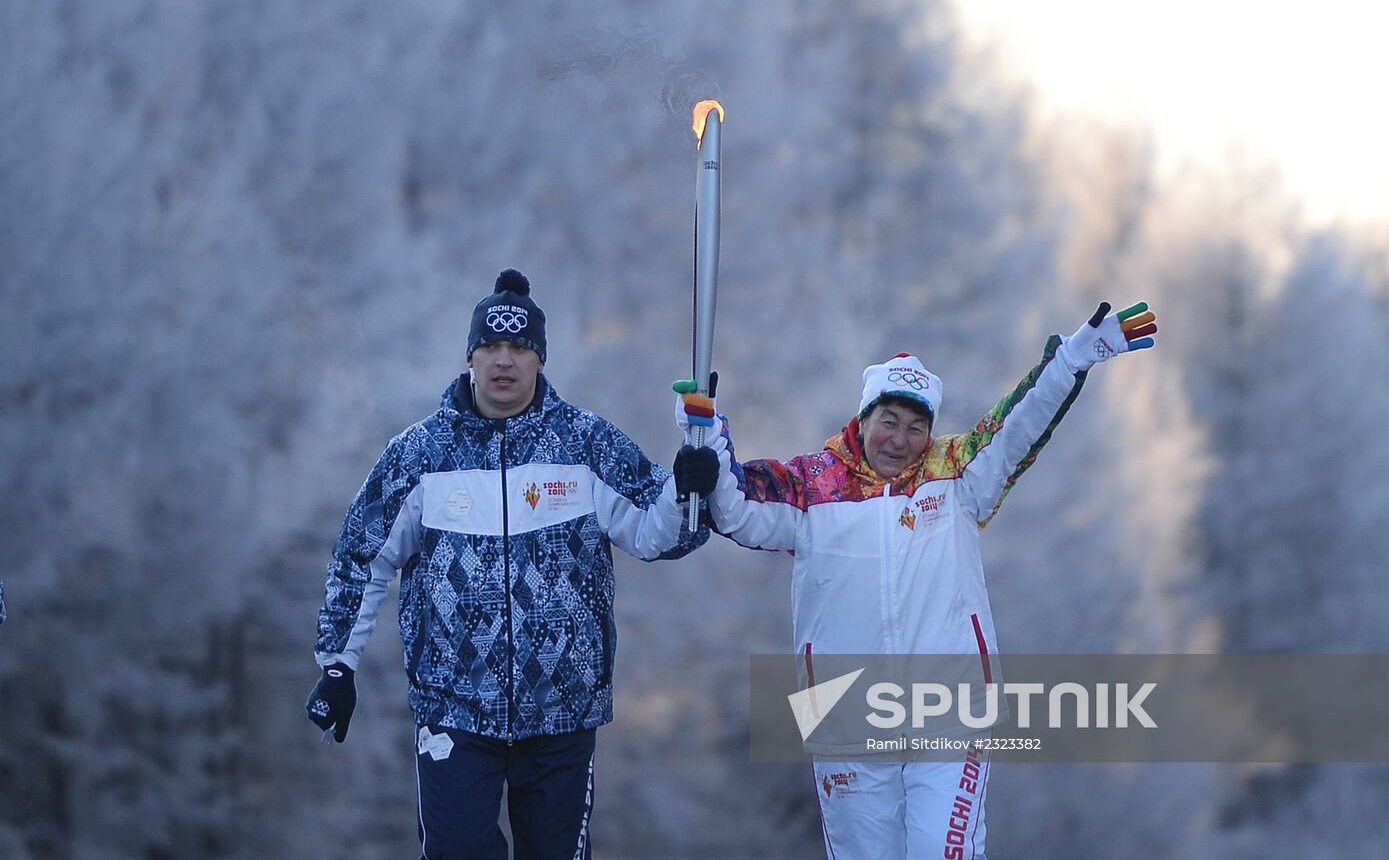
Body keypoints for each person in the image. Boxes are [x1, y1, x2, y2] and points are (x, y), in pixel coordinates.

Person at [694, 301, 1158, 860]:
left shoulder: (957, 477)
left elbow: (1015, 428)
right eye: (888, 420)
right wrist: (705, 442)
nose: (900, 438)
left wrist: (1068, 363)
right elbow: (736, 507)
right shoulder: (811, 487)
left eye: (917, 427)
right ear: (862, 419)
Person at [308, 268, 721, 860]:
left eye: (520, 348)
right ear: (471, 356)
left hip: (562, 709)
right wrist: (338, 665)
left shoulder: (585, 445)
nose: (505, 361)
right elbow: (359, 559)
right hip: (454, 705)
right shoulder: (420, 455)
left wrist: (690, 492)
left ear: (540, 360)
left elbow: (660, 533)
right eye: (492, 347)